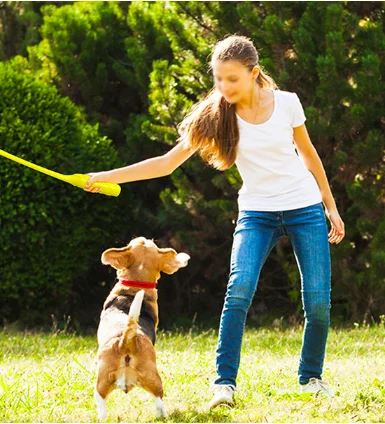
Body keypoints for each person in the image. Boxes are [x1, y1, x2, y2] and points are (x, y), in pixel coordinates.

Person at [84, 34, 345, 408]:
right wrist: (109, 175)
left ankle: (310, 378)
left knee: (318, 301)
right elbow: (166, 162)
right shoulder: (216, 114)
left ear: (254, 74)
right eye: (218, 79)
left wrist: (329, 206)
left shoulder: (287, 104)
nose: (223, 87)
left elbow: (309, 155)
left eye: (232, 79)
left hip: (304, 208)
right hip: (256, 212)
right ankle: (224, 384)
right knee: (238, 291)